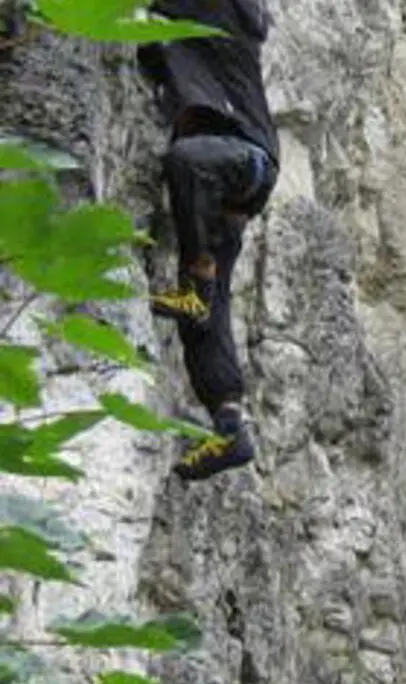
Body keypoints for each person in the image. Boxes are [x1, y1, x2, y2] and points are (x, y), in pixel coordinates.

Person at [136, 0, 280, 481]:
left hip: (241, 157)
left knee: (187, 159)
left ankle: (197, 280)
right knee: (203, 320)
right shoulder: (204, 33)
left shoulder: (221, 9)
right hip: (236, 180)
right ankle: (229, 424)